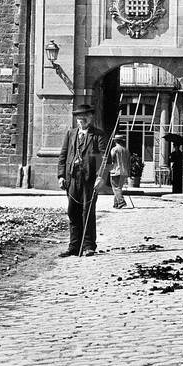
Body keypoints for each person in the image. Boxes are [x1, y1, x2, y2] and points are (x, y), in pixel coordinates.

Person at [57, 102, 108, 257]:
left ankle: (88, 246)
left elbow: (104, 159)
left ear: (91, 117)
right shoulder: (70, 134)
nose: (81, 119)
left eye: (84, 116)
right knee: (72, 212)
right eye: (79, 117)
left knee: (87, 212)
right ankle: (74, 246)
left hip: (90, 181)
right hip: (72, 179)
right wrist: (60, 176)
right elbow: (63, 156)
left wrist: (101, 177)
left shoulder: (98, 135)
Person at [109, 135, 130, 209]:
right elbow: (128, 162)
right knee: (119, 188)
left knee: (115, 188)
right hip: (124, 171)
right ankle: (116, 203)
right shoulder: (126, 150)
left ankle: (121, 201)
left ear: (115, 141)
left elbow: (111, 159)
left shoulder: (114, 149)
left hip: (116, 171)